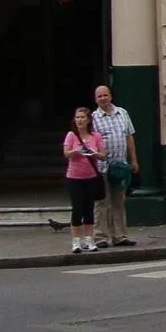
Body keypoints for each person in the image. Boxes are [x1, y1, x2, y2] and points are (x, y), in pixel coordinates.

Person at [92, 83, 139, 248]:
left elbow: (129, 137)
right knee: (102, 202)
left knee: (119, 201)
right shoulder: (93, 118)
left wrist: (133, 160)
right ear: (95, 99)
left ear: (111, 96)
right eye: (99, 96)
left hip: (120, 166)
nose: (103, 98)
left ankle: (120, 236)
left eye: (105, 95)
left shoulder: (123, 113)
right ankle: (100, 237)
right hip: (102, 167)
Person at [62, 105, 107, 253]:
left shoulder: (96, 136)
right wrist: (76, 151)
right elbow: (66, 154)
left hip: (91, 177)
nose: (79, 120)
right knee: (77, 208)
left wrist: (93, 153)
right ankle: (76, 242)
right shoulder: (71, 135)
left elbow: (103, 155)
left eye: (82, 117)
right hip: (74, 177)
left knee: (89, 208)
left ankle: (89, 240)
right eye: (77, 117)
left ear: (88, 120)